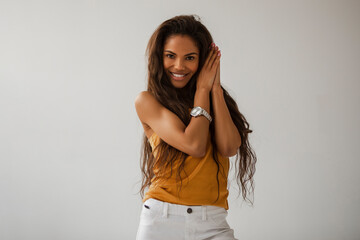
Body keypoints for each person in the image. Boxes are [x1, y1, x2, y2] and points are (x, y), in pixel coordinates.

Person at [134, 14, 257, 240]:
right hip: (162, 221)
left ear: (203, 60)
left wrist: (215, 89)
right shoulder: (148, 102)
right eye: (170, 56)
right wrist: (202, 90)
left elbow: (229, 147)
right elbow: (194, 145)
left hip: (213, 222)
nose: (179, 66)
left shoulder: (215, 99)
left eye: (190, 57)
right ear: (158, 58)